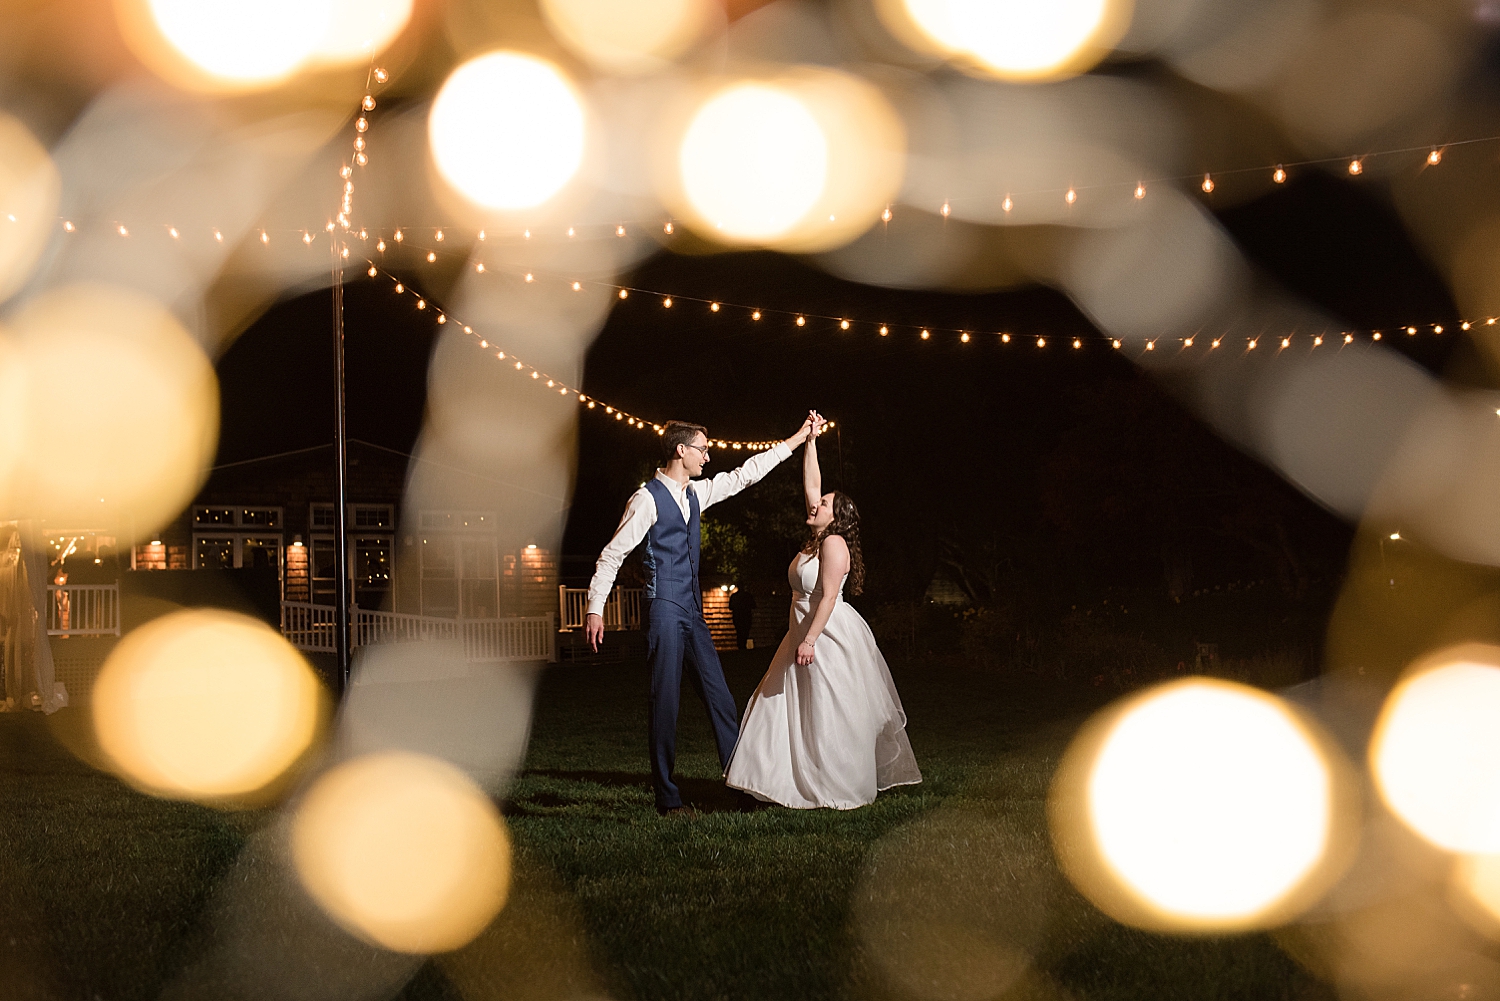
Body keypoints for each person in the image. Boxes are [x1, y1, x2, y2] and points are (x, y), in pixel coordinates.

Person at [585, 415, 819, 817]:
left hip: (692, 613)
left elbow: (748, 474)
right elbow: (612, 555)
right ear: (681, 451)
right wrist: (594, 609)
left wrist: (798, 438)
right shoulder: (646, 499)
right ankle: (668, 798)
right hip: (664, 611)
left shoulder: (697, 494)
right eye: (703, 449)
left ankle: (740, 782)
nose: (708, 457)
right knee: (666, 703)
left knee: (720, 697)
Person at [726, 413, 922, 809]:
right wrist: (811, 439)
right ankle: (776, 781)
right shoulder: (815, 538)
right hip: (799, 631)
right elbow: (812, 484)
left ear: (838, 517)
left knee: (828, 709)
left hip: (826, 633)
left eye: (825, 504)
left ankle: (838, 786)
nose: (816, 504)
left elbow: (829, 597)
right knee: (778, 703)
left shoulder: (833, 544)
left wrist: (810, 640)